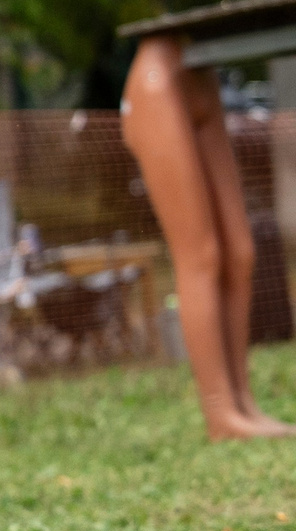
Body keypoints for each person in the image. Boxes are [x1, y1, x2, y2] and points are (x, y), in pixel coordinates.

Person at [121, 38, 292, 439]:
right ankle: (220, 413)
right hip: (158, 78)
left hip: (199, 68)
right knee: (201, 255)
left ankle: (243, 404)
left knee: (241, 251)